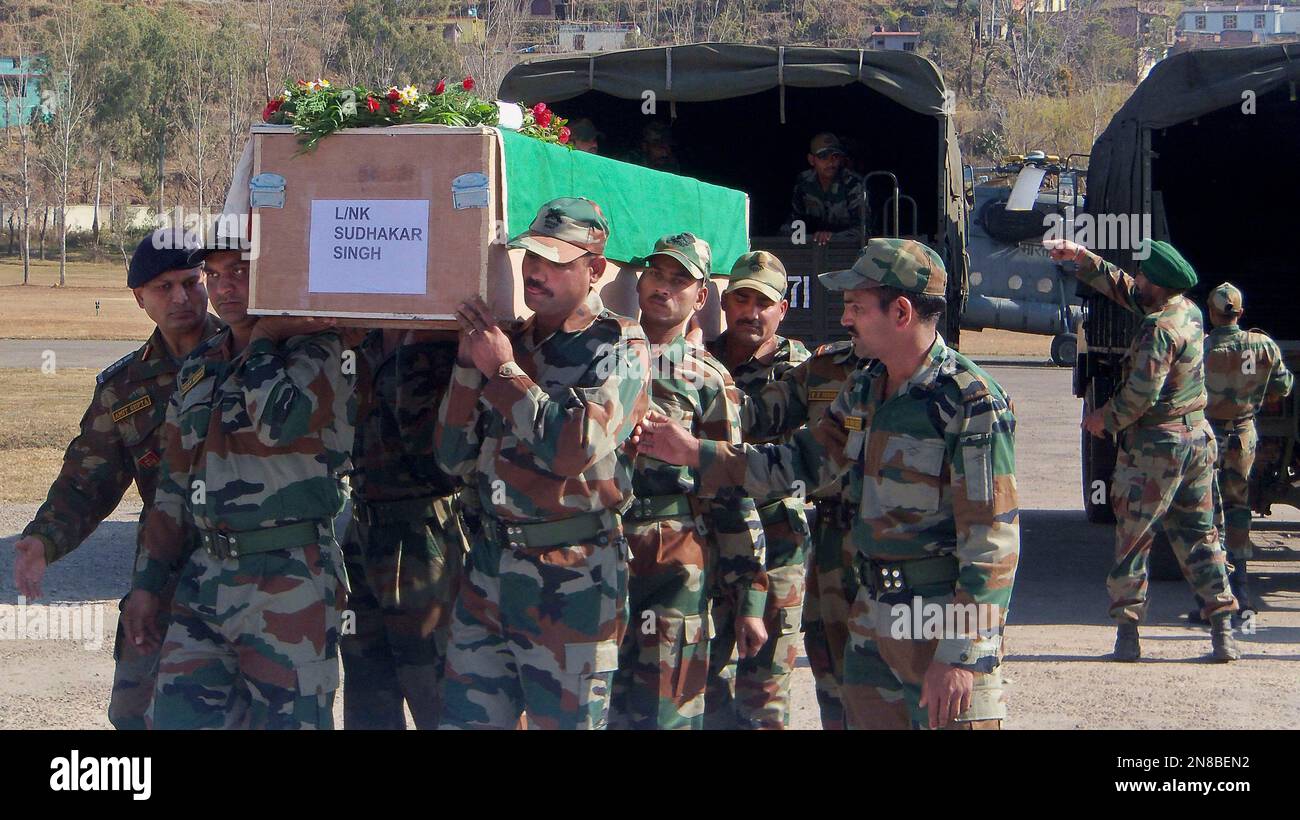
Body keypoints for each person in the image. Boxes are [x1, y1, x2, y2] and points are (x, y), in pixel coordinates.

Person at [638, 238, 1019, 730]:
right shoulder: (865, 386)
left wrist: (963, 655)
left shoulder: (970, 402)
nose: (845, 320)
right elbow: (801, 462)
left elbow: (992, 540)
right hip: (872, 612)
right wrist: (695, 452)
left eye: (856, 308)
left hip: (938, 620)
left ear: (900, 312)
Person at [434, 197, 652, 729]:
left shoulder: (621, 345)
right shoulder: (509, 340)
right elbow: (451, 456)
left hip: (573, 574)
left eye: (555, 261)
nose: (535, 270)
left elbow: (570, 451)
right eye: (531, 256)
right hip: (489, 567)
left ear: (595, 270)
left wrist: (503, 371)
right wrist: (468, 365)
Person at [122, 247, 357, 728]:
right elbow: (174, 483)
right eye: (214, 274)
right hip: (206, 575)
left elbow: (277, 423)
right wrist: (147, 584)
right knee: (176, 717)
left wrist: (266, 339)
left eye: (240, 273)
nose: (224, 287)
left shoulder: (321, 351)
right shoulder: (202, 364)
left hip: (289, 579)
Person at [12, 229, 223, 730]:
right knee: (132, 712)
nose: (181, 297)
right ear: (139, 298)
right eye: (164, 287)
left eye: (191, 282)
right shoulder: (124, 387)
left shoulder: (248, 358)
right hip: (163, 570)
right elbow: (88, 481)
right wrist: (45, 538)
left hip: (244, 569)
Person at [1044, 238, 1239, 662]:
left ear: (1160, 285)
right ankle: (1224, 631)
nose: (1140, 280)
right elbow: (1127, 288)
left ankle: (1128, 638)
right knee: (1200, 535)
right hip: (1196, 440)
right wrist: (1081, 258)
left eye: (1146, 275)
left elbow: (1140, 395)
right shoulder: (1186, 311)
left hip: (1157, 447)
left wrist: (1103, 419)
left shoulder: (1158, 330)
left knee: (1134, 539)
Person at [608, 232, 768, 730]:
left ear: (701, 298)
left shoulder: (708, 379)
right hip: (598, 556)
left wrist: (750, 598)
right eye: (657, 274)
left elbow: (731, 487)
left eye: (681, 281)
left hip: (674, 564)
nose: (664, 287)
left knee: (668, 711)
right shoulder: (596, 359)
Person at [703, 251, 811, 729]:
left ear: (782, 310)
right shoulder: (700, 358)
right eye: (741, 299)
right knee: (694, 675)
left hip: (777, 544)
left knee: (764, 690)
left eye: (763, 302)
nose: (751, 311)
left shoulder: (803, 370)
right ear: (725, 304)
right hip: (709, 542)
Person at [340, 329, 468, 729]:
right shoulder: (358, 339)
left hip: (426, 537)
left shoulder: (448, 340)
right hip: (361, 533)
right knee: (367, 694)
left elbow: (442, 461)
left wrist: (415, 347)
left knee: (441, 694)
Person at [740, 338, 868, 729]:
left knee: (889, 685)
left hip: (898, 550)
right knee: (829, 670)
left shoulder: (944, 387)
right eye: (846, 306)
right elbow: (755, 416)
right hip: (831, 537)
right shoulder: (825, 368)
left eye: (857, 306)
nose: (847, 319)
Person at [1199, 282, 1293, 616]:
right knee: (1238, 508)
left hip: (1206, 436)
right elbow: (1282, 386)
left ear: (1210, 313)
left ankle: (1214, 599)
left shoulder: (1201, 347)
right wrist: (1256, 394)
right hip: (1242, 436)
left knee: (1206, 513)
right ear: (1240, 313)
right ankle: (1242, 596)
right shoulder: (1260, 346)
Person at [787, 132, 868, 246]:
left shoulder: (853, 184)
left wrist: (832, 237)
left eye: (835, 156)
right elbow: (795, 221)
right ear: (811, 159)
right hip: (811, 250)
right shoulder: (804, 182)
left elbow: (863, 230)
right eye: (823, 156)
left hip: (847, 251)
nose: (830, 162)